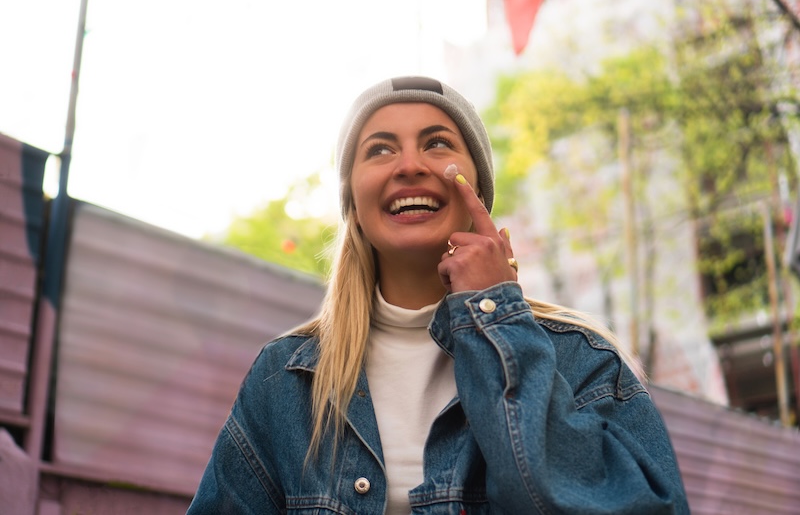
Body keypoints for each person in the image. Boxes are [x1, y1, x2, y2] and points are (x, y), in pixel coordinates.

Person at [187, 76, 690, 514]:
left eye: (437, 143)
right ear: (353, 202)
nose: (409, 165)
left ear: (478, 190)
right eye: (380, 148)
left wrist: (497, 323)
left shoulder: (582, 362)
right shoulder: (284, 382)